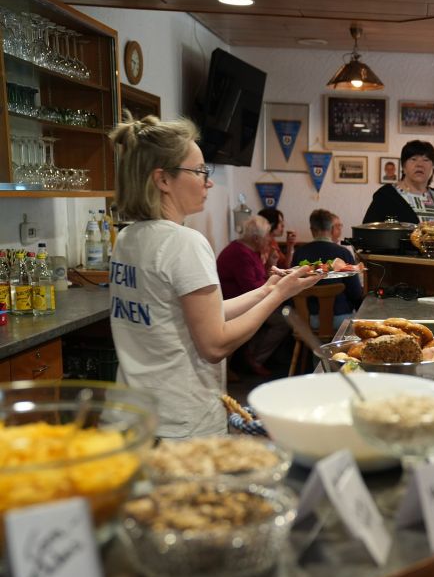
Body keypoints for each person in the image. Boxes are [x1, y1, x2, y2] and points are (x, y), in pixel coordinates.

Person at [107, 115, 318, 439]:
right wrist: (280, 296)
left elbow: (200, 314)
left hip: (131, 416)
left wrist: (268, 289)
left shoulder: (127, 238)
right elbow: (215, 344)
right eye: (199, 171)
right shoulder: (184, 243)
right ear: (163, 180)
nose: (209, 182)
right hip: (179, 423)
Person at [216, 216, 293, 378]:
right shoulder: (240, 254)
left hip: (248, 301)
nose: (269, 239)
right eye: (267, 235)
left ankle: (251, 356)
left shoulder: (250, 251)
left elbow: (259, 279)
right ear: (256, 238)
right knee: (283, 322)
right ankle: (254, 359)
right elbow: (252, 288)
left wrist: (271, 264)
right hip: (237, 305)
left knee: (281, 315)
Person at [292, 209, 364, 330]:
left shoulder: (299, 253)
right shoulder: (343, 253)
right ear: (331, 229)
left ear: (312, 230)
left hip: (307, 319)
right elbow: (356, 292)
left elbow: (291, 288)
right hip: (340, 319)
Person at [363, 140, 434, 224]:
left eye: (426, 160)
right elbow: (368, 231)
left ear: (433, 166)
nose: (420, 164)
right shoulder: (386, 196)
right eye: (413, 159)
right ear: (403, 166)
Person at [259, 207, 295, 271]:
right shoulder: (258, 244)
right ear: (271, 224)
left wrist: (290, 246)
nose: (283, 225)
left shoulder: (272, 241)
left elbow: (285, 266)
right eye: (280, 222)